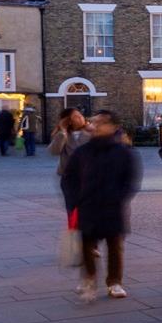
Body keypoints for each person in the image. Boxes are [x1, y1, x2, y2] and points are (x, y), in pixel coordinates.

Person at [61, 110, 141, 301]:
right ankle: (89, 278)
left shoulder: (124, 152)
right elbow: (68, 179)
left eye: (101, 122)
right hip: (87, 205)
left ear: (112, 127)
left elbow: (130, 181)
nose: (95, 126)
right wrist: (74, 202)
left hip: (112, 206)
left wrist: (118, 198)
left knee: (115, 246)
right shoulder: (82, 152)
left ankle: (114, 282)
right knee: (86, 245)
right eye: (94, 122)